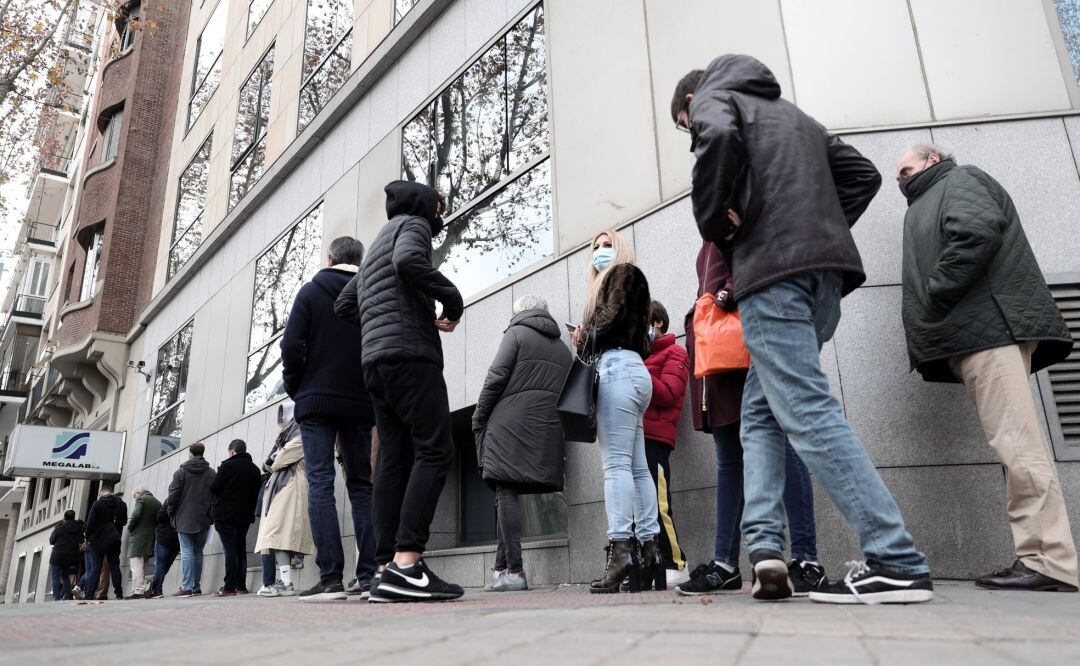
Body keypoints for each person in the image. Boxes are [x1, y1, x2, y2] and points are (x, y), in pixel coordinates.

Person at [672, 54, 932, 604]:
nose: (690, 135)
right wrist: (816, 231)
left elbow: (715, 134)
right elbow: (862, 175)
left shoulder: (716, 102)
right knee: (761, 412)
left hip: (774, 278)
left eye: (684, 127)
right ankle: (766, 548)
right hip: (824, 283)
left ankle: (896, 558)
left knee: (808, 411)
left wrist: (720, 224)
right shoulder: (795, 117)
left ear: (691, 104)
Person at [897, 143, 1078, 592]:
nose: (900, 179)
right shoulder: (934, 194)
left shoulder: (958, 180)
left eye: (906, 168)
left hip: (989, 332)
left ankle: (1050, 561)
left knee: (1018, 444)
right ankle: (1037, 556)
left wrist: (937, 293)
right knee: (1013, 445)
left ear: (932, 161)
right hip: (979, 334)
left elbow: (977, 231)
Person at [676, 242, 827, 596]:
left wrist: (729, 291)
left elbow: (759, 256)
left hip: (746, 339)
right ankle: (726, 564)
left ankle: (807, 560)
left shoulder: (738, 208)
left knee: (781, 445)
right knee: (730, 460)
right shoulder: (710, 233)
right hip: (720, 352)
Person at [355, 181, 464, 603]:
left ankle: (383, 569)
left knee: (393, 461)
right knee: (436, 449)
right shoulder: (413, 226)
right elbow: (408, 261)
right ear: (422, 202)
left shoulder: (375, 246)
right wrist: (452, 302)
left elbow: (347, 305)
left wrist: (377, 335)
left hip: (375, 364)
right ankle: (407, 562)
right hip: (410, 356)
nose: (439, 215)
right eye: (437, 205)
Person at [281, 235, 377, 602]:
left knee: (321, 482)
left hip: (316, 401)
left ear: (329, 259)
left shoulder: (310, 291)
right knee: (361, 484)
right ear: (360, 259)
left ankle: (331, 578)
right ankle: (368, 575)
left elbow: (291, 346)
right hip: (359, 402)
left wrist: (298, 387)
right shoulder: (370, 292)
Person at [572, 229, 663, 594]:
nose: (600, 252)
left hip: (619, 371)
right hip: (633, 372)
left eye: (607, 245)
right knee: (638, 468)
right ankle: (650, 551)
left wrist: (585, 333)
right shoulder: (627, 280)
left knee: (616, 466)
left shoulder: (625, 274)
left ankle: (622, 548)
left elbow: (610, 321)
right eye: (595, 246)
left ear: (620, 248)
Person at [473, 295, 573, 592]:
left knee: (505, 490)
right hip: (545, 429)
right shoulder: (563, 349)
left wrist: (479, 415)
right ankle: (500, 570)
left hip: (510, 424)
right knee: (506, 491)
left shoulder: (515, 333)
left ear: (520, 312)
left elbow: (495, 378)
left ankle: (514, 571)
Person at [640, 300, 691, 588]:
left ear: (656, 322)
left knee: (659, 504)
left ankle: (677, 563)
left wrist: (637, 370)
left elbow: (670, 394)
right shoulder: (641, 355)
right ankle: (650, 566)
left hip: (656, 439)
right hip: (636, 438)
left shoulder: (675, 353)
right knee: (641, 508)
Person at [255, 402, 315, 597]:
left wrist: (272, 460)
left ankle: (286, 583)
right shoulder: (288, 436)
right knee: (277, 535)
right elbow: (271, 462)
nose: (281, 423)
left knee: (278, 533)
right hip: (282, 487)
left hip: (291, 487)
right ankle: (285, 582)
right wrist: (272, 461)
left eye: (283, 418)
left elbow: (277, 460)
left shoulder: (300, 435)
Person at [210, 439, 263, 596]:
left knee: (230, 550)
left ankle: (229, 587)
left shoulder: (227, 465)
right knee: (240, 549)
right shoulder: (255, 470)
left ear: (232, 451)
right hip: (245, 516)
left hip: (225, 515)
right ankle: (241, 585)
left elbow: (214, 488)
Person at [166, 442, 216, 597]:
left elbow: (173, 496)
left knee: (186, 551)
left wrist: (171, 512)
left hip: (184, 518)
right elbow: (215, 496)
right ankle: (195, 586)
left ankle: (186, 586)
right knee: (198, 552)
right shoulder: (211, 472)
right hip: (203, 518)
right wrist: (210, 515)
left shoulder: (180, 473)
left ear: (190, 454)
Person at [83, 484, 127, 600]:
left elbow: (90, 523)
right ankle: (119, 594)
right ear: (111, 492)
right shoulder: (121, 504)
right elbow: (124, 522)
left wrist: (88, 537)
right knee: (114, 566)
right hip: (114, 539)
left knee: (95, 568)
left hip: (97, 540)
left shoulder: (97, 504)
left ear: (101, 493)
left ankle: (89, 595)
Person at [126, 487, 161, 598]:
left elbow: (136, 515)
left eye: (134, 496)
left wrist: (130, 527)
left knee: (136, 565)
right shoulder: (157, 502)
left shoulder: (141, 500)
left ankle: (138, 590)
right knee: (143, 565)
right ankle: (141, 588)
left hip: (138, 537)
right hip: (150, 537)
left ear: (137, 493)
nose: (135, 498)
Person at [147, 503, 180, 598]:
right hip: (177, 539)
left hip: (164, 537)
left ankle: (157, 590)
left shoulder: (170, 500)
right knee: (166, 565)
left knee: (160, 564)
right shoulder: (187, 501)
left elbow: (160, 517)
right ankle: (155, 587)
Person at [49, 510, 83, 600]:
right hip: (69, 556)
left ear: (64, 517)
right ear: (73, 517)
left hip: (57, 555)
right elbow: (81, 540)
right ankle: (68, 596)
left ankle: (56, 597)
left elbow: (51, 541)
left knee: (55, 577)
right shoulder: (78, 528)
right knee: (65, 576)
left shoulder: (59, 528)